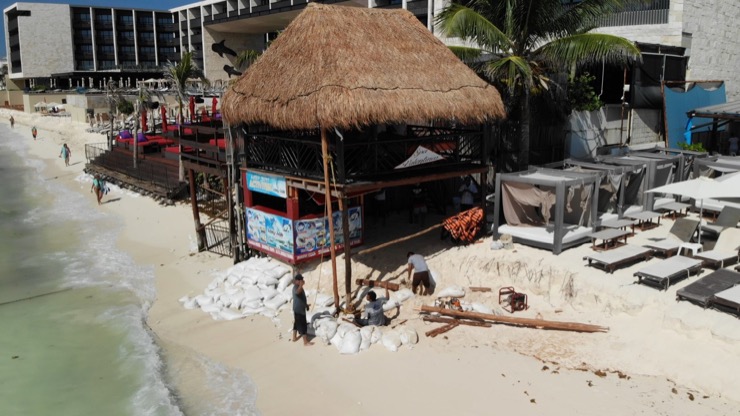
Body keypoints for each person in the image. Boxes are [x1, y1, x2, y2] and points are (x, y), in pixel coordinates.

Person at [291, 274, 313, 346]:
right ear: (297, 281)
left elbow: (301, 298)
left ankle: (294, 338)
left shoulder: (299, 287)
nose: (302, 281)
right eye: (300, 280)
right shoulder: (295, 287)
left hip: (299, 308)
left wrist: (306, 305)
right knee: (303, 324)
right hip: (299, 310)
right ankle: (305, 342)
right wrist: (301, 285)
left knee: (296, 323)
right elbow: (297, 293)